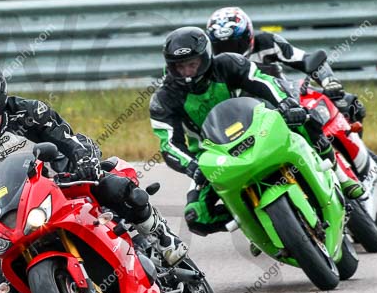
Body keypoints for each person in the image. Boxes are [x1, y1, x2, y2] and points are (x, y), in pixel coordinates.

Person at [0, 59, 187, 293]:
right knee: (0, 278)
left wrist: (84, 162)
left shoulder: (29, 112)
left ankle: (163, 237)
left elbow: (70, 141)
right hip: (19, 211)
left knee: (116, 188)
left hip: (65, 185)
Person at [149, 27, 363, 237]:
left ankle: (342, 177)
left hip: (256, 126)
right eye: (180, 67)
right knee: (196, 217)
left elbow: (264, 81)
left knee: (305, 119)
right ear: (170, 66)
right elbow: (169, 144)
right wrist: (193, 166)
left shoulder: (228, 64)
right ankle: (259, 224)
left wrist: (287, 104)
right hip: (213, 159)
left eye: (192, 64)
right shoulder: (163, 98)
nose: (187, 72)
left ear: (204, 58)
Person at [206, 7, 377, 179]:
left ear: (249, 36)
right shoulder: (211, 68)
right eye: (222, 47)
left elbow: (307, 59)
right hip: (250, 118)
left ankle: (362, 157)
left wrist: (328, 81)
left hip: (289, 100)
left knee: (347, 103)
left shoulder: (267, 43)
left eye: (234, 44)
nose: (230, 51)